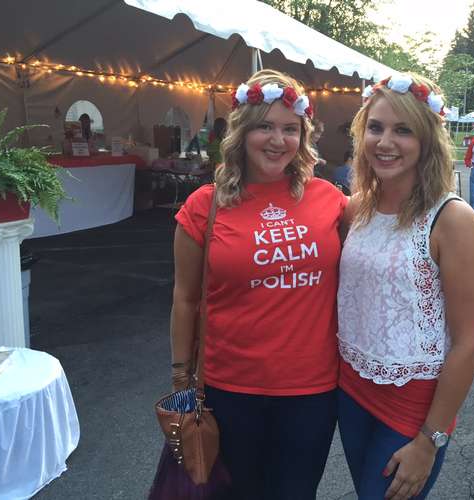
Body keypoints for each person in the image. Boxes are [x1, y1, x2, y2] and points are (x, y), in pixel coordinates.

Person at [170, 69, 347, 499]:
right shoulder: (204, 206)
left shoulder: (330, 198)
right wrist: (180, 379)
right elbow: (185, 297)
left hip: (313, 391)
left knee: (296, 493)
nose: (277, 140)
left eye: (290, 129)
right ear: (241, 132)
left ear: (303, 136)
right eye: (264, 126)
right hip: (230, 389)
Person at [338, 72, 474, 500]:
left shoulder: (453, 219)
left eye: (402, 130)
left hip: (412, 408)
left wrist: (430, 439)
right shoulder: (357, 209)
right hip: (350, 391)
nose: (385, 142)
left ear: (426, 140)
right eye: (376, 127)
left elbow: (470, 343)